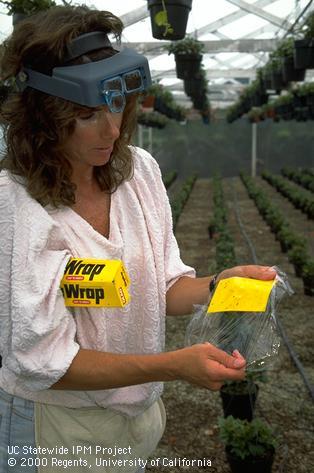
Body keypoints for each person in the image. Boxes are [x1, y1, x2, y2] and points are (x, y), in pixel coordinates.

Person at [0, 5, 277, 473]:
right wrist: (172, 365)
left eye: (116, 104)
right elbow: (42, 361)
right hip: (56, 425)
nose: (112, 129)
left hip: (133, 418)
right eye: (88, 114)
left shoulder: (137, 173)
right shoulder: (17, 202)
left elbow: (166, 287)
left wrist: (220, 286)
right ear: (42, 118)